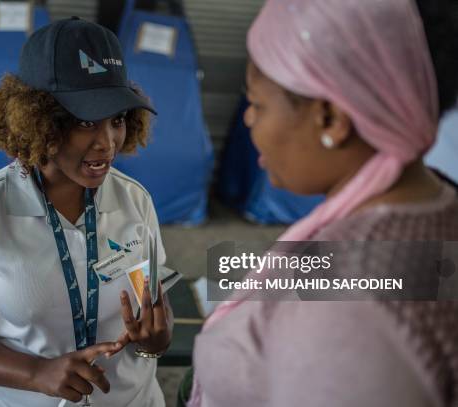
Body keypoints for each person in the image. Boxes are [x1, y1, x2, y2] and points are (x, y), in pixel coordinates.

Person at [188, 0, 458, 406]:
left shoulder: (345, 317)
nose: (248, 121)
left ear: (330, 118)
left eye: (257, 104)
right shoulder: (435, 199)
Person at [0, 17, 174, 407]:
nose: (107, 142)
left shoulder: (136, 201)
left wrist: (154, 340)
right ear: (38, 118)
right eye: (86, 121)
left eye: (118, 119)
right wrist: (36, 373)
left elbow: (154, 303)